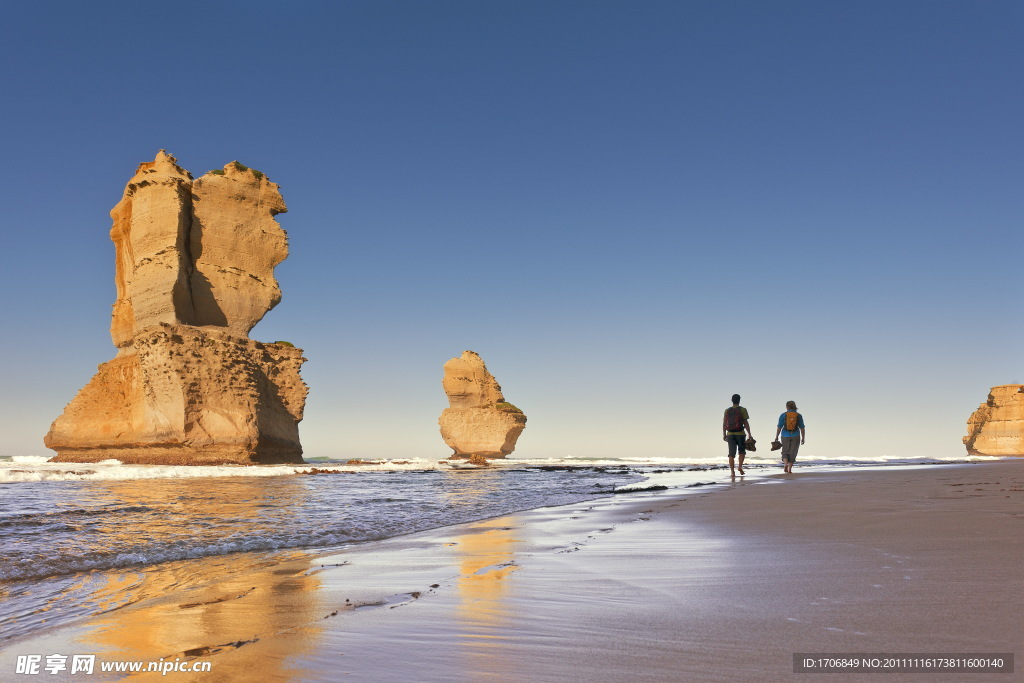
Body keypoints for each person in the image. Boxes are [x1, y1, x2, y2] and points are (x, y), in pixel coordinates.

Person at [722, 393, 752, 476]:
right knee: (742, 451)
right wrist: (749, 433)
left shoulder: (727, 410)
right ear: (739, 400)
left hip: (730, 434)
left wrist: (724, 434)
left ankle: (732, 472)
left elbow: (724, 423)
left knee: (731, 454)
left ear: (732, 400)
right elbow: (745, 422)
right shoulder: (743, 410)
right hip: (740, 434)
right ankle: (740, 467)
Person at [774, 400, 805, 473]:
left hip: (785, 435)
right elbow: (802, 427)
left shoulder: (783, 415)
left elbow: (779, 426)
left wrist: (776, 436)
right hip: (796, 435)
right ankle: (789, 469)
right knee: (793, 452)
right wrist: (803, 437)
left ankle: (785, 464)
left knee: (785, 451)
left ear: (786, 407)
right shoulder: (799, 415)